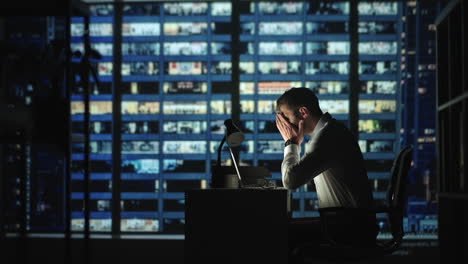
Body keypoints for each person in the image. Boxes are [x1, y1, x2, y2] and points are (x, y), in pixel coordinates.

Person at [275, 87, 378, 256]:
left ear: (303, 112)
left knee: (279, 235)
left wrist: (291, 143)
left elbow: (291, 181)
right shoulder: (329, 131)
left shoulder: (328, 137)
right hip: (345, 222)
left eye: (285, 117)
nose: (284, 125)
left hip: (349, 228)